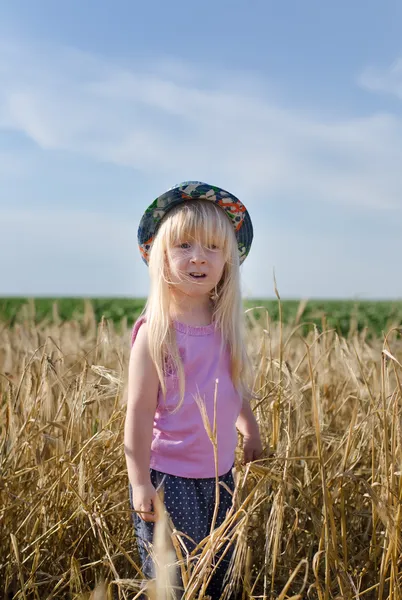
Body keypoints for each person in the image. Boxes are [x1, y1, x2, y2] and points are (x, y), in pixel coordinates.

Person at [124, 181, 262, 599]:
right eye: (184, 245)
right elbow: (138, 414)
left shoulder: (225, 328)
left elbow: (231, 385)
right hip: (171, 480)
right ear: (160, 255)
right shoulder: (156, 334)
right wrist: (139, 482)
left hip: (222, 478)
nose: (199, 256)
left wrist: (249, 427)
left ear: (228, 262)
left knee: (220, 574)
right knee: (175, 579)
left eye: (212, 247)